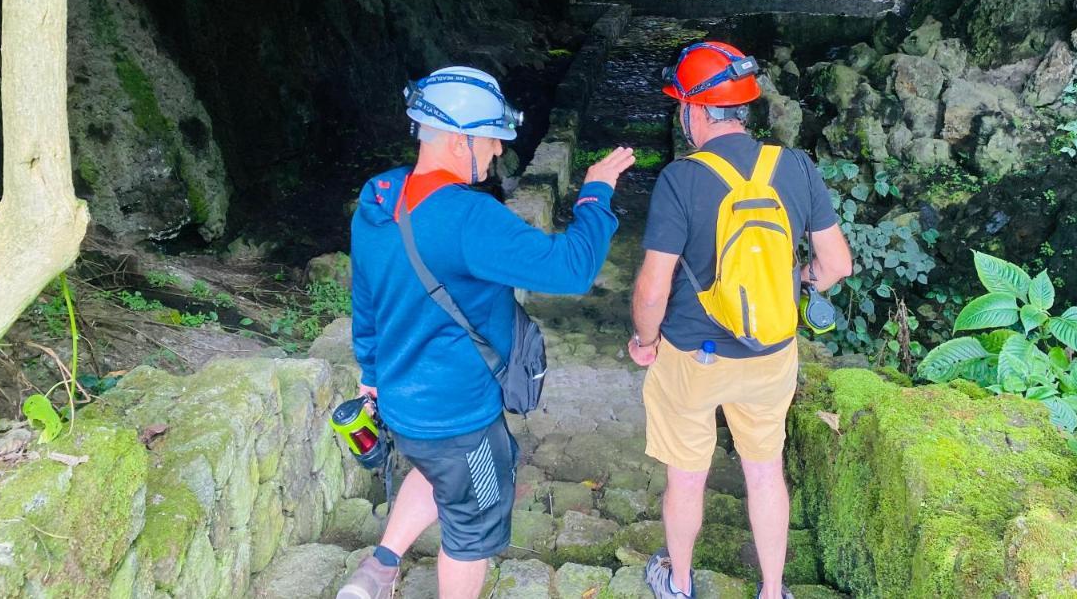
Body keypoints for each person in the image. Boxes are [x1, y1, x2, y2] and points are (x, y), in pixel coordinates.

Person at [338, 65, 635, 599]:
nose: (499, 152)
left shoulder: (378, 198)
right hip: (460, 419)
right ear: (458, 140)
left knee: (434, 472)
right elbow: (571, 269)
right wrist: (596, 195)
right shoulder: (469, 218)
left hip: (402, 404)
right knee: (471, 528)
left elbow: (365, 297)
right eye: (493, 140)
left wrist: (370, 373)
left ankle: (380, 568)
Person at [628, 42, 853, 599]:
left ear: (697, 112)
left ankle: (679, 583)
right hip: (771, 355)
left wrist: (644, 340)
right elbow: (837, 265)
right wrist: (797, 283)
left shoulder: (682, 180)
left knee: (686, 474)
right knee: (763, 470)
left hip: (691, 354)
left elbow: (653, 286)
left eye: (681, 103)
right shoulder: (795, 166)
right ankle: (773, 591)